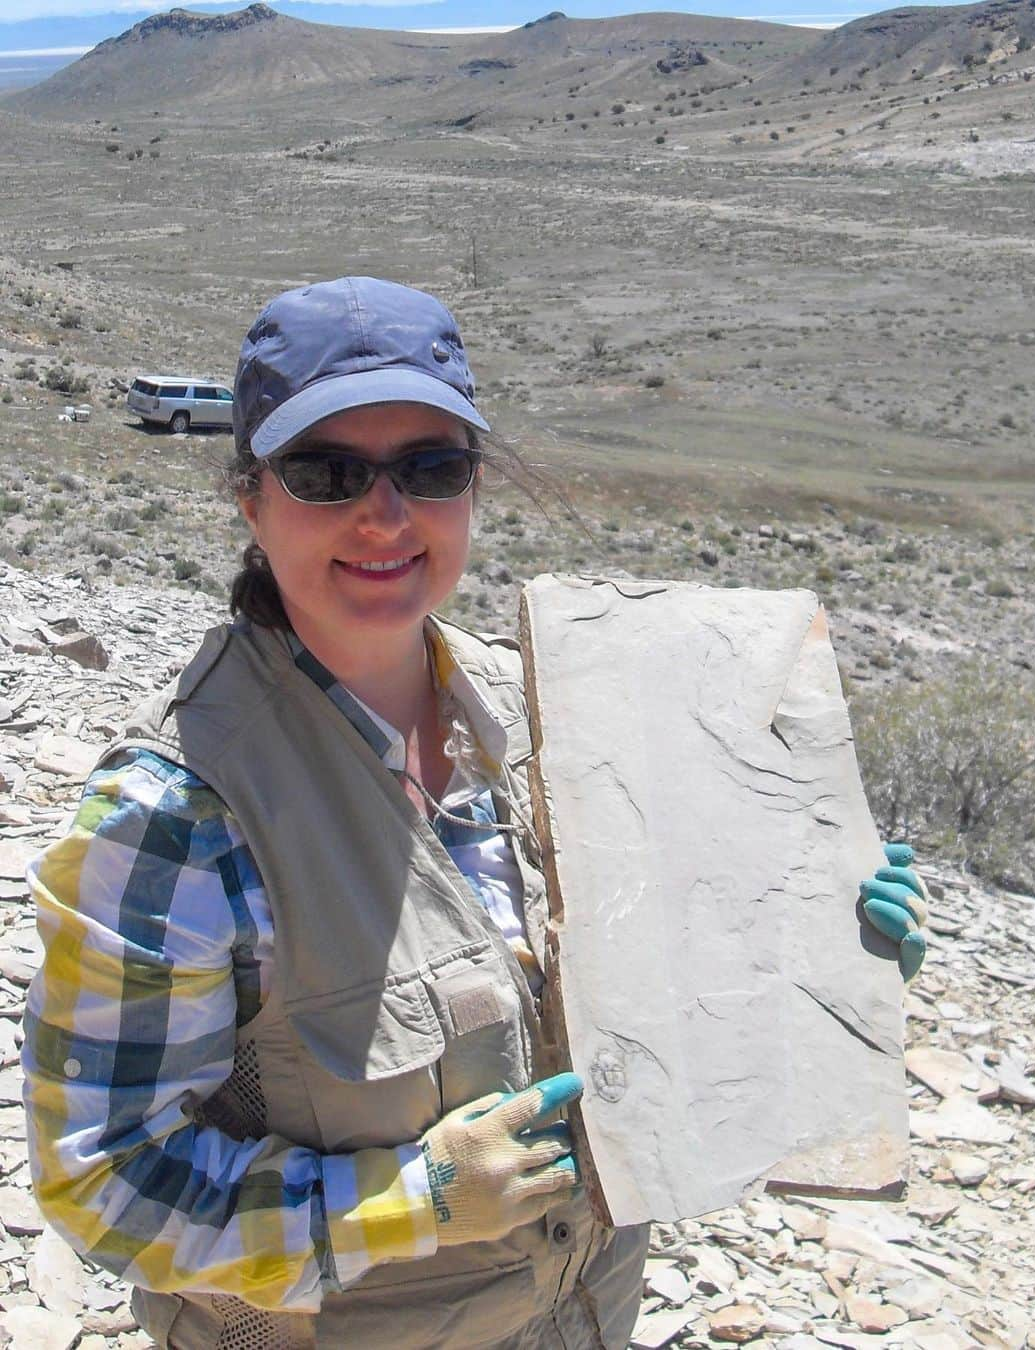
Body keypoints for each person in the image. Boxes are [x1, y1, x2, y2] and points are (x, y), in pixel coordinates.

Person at [21, 276, 929, 1349]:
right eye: (327, 472)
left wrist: (824, 955)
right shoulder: (176, 816)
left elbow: (662, 965)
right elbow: (106, 1181)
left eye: (431, 467)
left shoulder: (561, 717)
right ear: (251, 501)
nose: (386, 515)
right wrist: (413, 1199)